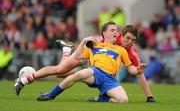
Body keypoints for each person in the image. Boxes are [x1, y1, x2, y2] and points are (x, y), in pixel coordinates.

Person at [14, 23, 155, 102]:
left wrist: (149, 96)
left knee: (65, 73)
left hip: (107, 72)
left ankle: (66, 50)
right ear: (120, 35)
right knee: (60, 70)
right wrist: (84, 42)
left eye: (133, 40)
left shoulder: (128, 51)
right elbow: (80, 55)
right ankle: (26, 80)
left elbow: (137, 73)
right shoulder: (106, 39)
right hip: (94, 56)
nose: (129, 42)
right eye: (127, 38)